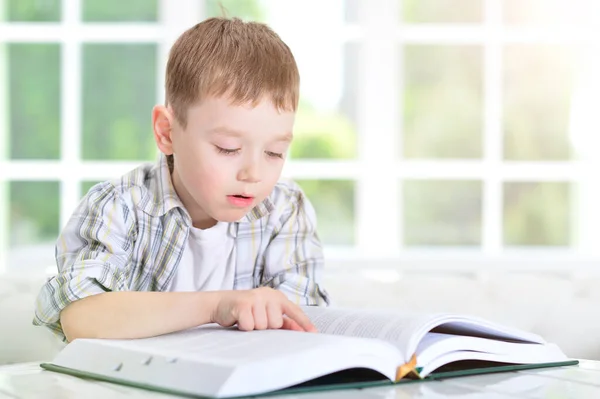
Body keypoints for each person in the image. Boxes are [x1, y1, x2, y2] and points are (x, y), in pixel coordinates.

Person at [33, 17, 330, 343]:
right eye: (227, 148)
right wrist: (217, 305)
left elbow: (303, 320)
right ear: (167, 132)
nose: (253, 173)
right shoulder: (121, 206)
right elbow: (81, 316)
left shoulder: (284, 210)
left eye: (274, 152)